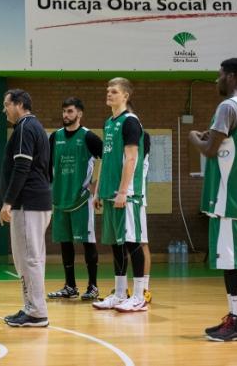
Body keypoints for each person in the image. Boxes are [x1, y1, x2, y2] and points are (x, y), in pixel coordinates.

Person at [189, 58, 237, 342]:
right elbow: (222, 142)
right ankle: (236, 318)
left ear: (233, 76)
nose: (217, 80)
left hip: (229, 197)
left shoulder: (227, 106)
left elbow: (209, 150)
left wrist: (193, 136)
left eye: (220, 75)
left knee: (234, 263)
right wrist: (211, 136)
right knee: (233, 261)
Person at [92, 77, 148, 313]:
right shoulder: (109, 122)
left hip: (128, 194)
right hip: (109, 193)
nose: (109, 94)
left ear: (125, 96)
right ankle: (118, 292)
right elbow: (107, 160)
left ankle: (138, 296)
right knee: (116, 244)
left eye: (114, 91)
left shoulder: (130, 122)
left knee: (132, 243)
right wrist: (98, 190)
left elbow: (132, 158)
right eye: (107, 90)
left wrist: (124, 191)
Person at [0, 89, 51, 327]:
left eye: (6, 105)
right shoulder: (34, 128)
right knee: (28, 258)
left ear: (19, 104)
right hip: (33, 202)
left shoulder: (25, 128)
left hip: (28, 203)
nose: (4, 110)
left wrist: (8, 201)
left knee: (29, 258)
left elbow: (22, 167)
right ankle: (30, 307)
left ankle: (37, 312)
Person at [47, 97, 102, 301]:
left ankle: (93, 286)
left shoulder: (88, 137)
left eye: (69, 111)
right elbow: (47, 167)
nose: (65, 115)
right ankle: (70, 286)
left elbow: (109, 160)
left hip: (81, 200)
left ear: (79, 113)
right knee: (65, 243)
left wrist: (96, 187)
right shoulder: (55, 137)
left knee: (88, 242)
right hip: (60, 199)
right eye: (64, 111)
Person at [140, 132, 152, 303]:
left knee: (141, 243)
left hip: (137, 200)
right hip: (122, 200)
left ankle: (144, 288)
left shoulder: (139, 156)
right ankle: (123, 288)